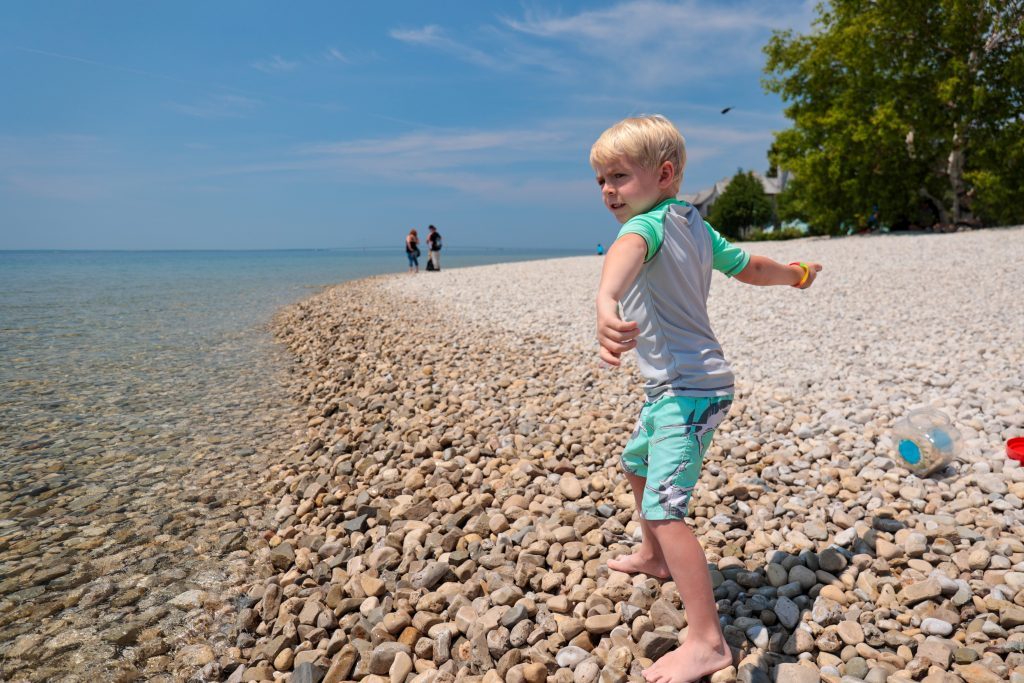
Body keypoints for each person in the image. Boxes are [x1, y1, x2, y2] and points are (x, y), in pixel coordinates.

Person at [591, 115, 822, 683]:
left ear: (664, 173)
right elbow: (751, 267)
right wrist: (794, 274)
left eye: (618, 176)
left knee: (667, 508)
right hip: (681, 387)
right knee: (637, 463)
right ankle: (654, 557)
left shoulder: (643, 228)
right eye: (599, 180)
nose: (607, 191)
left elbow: (622, 256)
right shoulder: (693, 223)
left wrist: (605, 299)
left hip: (689, 393)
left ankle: (707, 641)